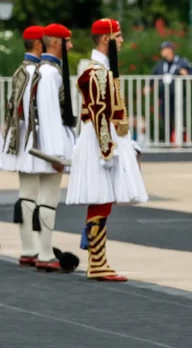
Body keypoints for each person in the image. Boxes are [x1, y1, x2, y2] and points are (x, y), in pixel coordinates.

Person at [66, 18, 148, 282]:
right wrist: (106, 150)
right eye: (119, 35)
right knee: (101, 200)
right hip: (100, 142)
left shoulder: (102, 70)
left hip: (105, 140)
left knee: (104, 200)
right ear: (106, 39)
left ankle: (97, 260)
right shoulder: (97, 72)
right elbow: (99, 114)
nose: (122, 40)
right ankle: (97, 262)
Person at [2, 24, 78, 271]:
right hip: (42, 141)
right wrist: (56, 152)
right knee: (47, 197)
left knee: (28, 194)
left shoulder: (28, 70)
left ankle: (30, 249)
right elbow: (48, 114)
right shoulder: (48, 73)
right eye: (67, 42)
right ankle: (44, 253)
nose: (71, 46)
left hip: (26, 138)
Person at [1, 25, 45, 266]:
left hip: (20, 135)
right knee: (34, 195)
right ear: (39, 44)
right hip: (32, 136)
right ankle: (34, 248)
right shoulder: (37, 72)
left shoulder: (21, 69)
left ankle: (29, 247)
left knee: (27, 193)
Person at [152, 41, 192, 143]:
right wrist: (149, 86)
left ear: (170, 50)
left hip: (178, 96)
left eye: (164, 49)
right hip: (164, 96)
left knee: (180, 118)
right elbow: (152, 76)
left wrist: (186, 74)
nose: (162, 52)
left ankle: (183, 141)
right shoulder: (161, 64)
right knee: (166, 119)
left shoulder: (181, 61)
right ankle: (169, 141)